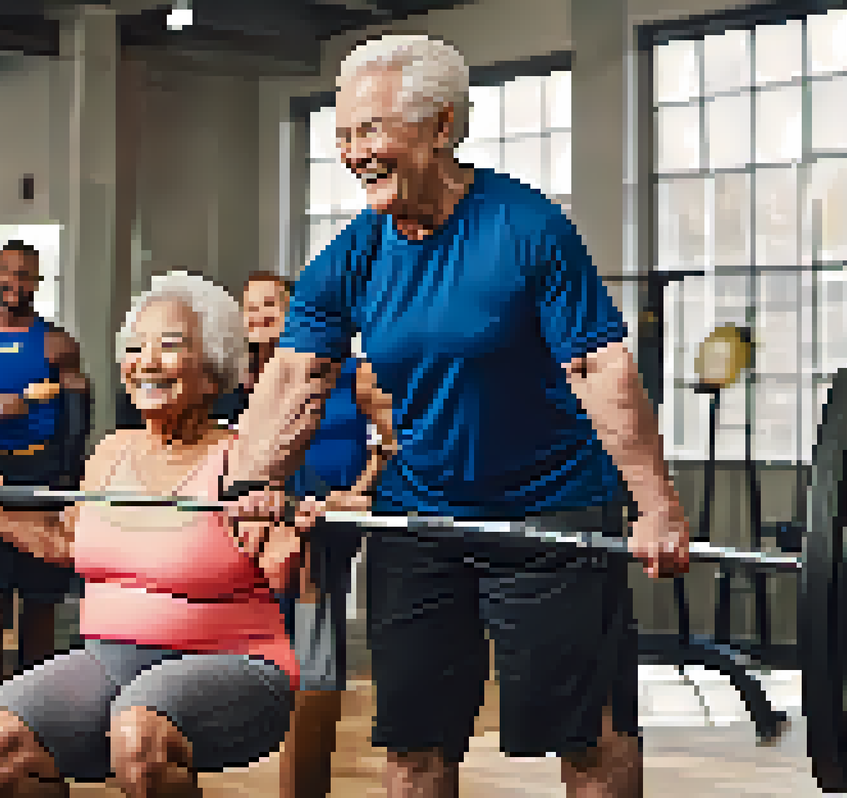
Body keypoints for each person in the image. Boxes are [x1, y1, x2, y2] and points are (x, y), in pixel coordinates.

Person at [227, 35, 691, 798]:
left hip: (552, 512)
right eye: (343, 135)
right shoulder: (351, 256)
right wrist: (253, 477)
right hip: (424, 517)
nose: (354, 153)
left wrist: (656, 506)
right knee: (412, 748)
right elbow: (296, 374)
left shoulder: (528, 228)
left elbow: (600, 367)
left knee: (590, 739)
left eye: (372, 131)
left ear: (442, 126)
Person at [0, 271, 301, 798]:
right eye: (136, 347)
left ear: (213, 372)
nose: (148, 361)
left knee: (139, 732)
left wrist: (284, 517)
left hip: (232, 662)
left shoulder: (239, 458)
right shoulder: (112, 452)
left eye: (171, 345)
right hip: (109, 661)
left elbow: (284, 568)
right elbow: (68, 545)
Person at [242, 272, 394, 798]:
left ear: (294, 313)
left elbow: (387, 442)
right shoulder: (239, 383)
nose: (258, 314)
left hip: (328, 520)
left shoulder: (349, 372)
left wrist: (353, 494)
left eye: (270, 304)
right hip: (262, 525)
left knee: (314, 649)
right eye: (250, 306)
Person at [0, 240, 92, 730]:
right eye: (7, 274)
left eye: (26, 276)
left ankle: (32, 717)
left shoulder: (57, 345)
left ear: (38, 282)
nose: (16, 284)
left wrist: (68, 493)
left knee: (39, 608)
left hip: (42, 480)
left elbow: (76, 426)